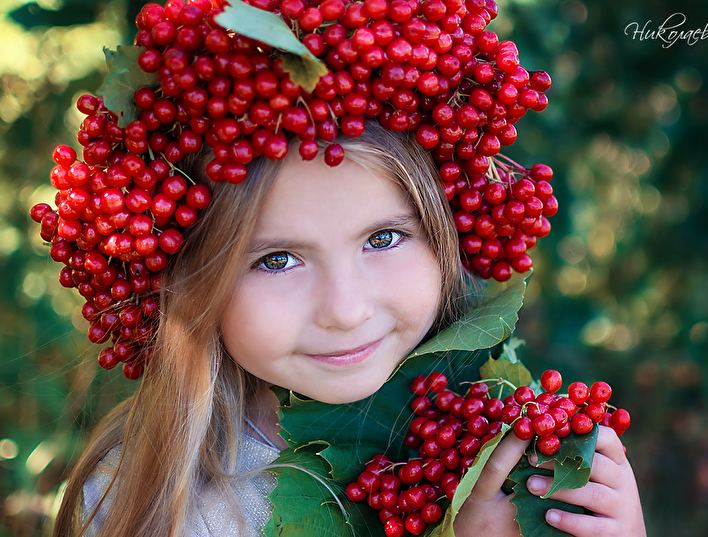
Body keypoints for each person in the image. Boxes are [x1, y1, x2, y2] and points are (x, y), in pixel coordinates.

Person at [36, 0, 647, 535]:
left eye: (383, 238)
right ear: (189, 276)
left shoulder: (493, 441)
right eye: (277, 260)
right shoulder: (164, 508)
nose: (346, 308)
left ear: (447, 234)